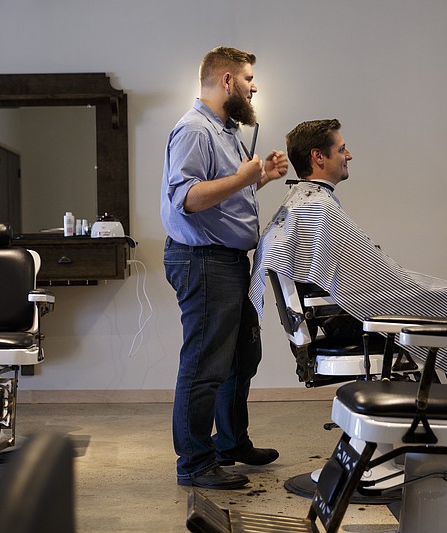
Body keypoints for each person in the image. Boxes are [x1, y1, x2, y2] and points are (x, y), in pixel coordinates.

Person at [248, 119, 447, 387]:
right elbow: (372, 280)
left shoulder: (303, 202)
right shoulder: (318, 209)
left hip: (345, 314)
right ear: (318, 156)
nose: (349, 155)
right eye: (341, 149)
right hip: (356, 317)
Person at [161, 46, 290, 490]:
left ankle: (231, 442)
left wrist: (260, 177)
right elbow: (189, 198)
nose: (255, 86)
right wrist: (242, 177)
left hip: (228, 261)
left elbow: (221, 191)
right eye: (249, 78)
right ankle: (194, 463)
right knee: (204, 364)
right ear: (228, 81)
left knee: (240, 357)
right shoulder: (195, 130)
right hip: (204, 261)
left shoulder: (224, 130)